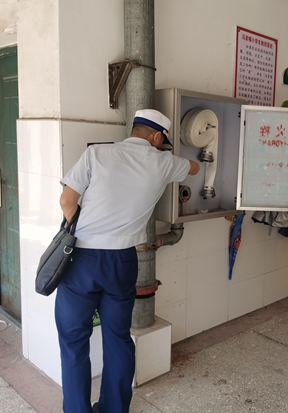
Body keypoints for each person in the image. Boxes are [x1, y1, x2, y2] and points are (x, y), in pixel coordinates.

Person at [55, 109, 200, 413]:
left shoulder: (96, 154)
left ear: (134, 129)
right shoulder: (164, 163)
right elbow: (195, 168)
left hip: (82, 259)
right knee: (118, 338)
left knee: (73, 340)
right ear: (157, 136)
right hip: (122, 261)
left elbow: (67, 201)